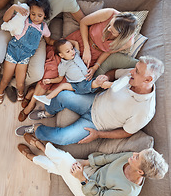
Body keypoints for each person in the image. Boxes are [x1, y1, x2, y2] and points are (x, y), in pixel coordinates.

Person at [0, 0, 84, 106]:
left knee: (37, 74)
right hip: (15, 27)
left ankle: (10, 84)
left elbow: (82, 19)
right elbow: (0, 0)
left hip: (36, 37)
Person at [18, 8, 138, 120]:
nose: (108, 29)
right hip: (80, 41)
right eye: (110, 25)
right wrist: (86, 48)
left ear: (122, 35)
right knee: (53, 70)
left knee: (69, 82)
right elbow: (84, 22)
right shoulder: (109, 13)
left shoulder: (127, 43)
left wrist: (95, 66)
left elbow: (108, 52)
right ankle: (31, 104)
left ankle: (32, 92)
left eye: (113, 31)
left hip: (93, 56)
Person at [15, 56, 164, 145]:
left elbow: (126, 132)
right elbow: (114, 73)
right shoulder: (131, 76)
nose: (132, 71)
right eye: (135, 67)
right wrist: (105, 78)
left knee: (61, 138)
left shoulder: (145, 111)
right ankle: (48, 112)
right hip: (93, 100)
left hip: (96, 123)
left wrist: (99, 135)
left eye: (137, 71)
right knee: (62, 95)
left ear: (148, 79)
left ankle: (36, 129)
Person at [17, 133, 168, 196]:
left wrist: (82, 179)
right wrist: (85, 162)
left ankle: (39, 146)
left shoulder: (127, 193)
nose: (134, 154)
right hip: (93, 173)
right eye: (137, 153)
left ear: (140, 172)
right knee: (62, 166)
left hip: (89, 194)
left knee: (64, 159)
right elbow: (107, 159)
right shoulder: (131, 159)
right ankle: (33, 158)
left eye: (137, 157)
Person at [0, 0, 53, 104]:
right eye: (33, 14)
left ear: (45, 15)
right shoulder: (25, 19)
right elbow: (6, 19)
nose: (36, 18)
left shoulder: (44, 28)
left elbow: (49, 40)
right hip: (12, 53)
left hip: (24, 57)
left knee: (20, 83)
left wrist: (58, 43)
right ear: (29, 12)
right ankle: (0, 92)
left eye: (39, 15)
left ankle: (21, 93)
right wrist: (13, 8)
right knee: (6, 79)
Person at [32, 39, 113, 105]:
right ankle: (113, 85)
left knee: (63, 86)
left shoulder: (76, 54)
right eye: (68, 51)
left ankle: (47, 98)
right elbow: (59, 78)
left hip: (85, 81)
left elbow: (76, 42)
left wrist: (64, 41)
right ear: (61, 55)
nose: (72, 52)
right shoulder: (62, 66)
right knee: (98, 82)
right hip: (79, 83)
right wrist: (50, 81)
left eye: (72, 49)